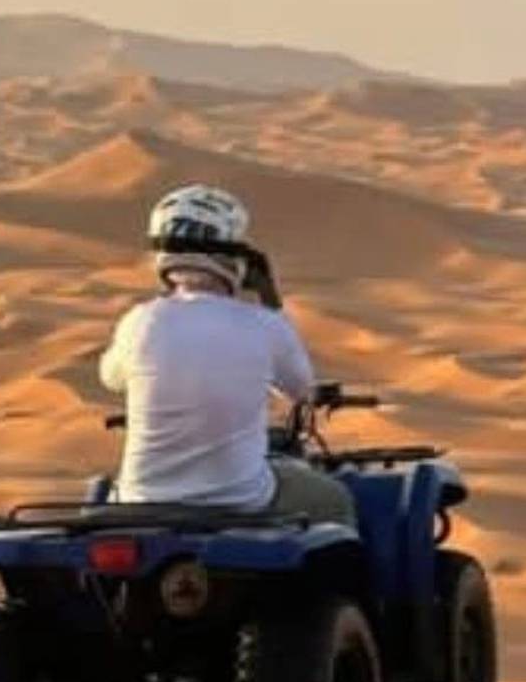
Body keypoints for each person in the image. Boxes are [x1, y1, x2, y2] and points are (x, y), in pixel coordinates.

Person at [98, 184, 356, 526]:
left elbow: (111, 378)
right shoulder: (263, 324)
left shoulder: (139, 321)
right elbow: (302, 389)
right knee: (335, 499)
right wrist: (271, 301)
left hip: (142, 500)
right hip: (238, 498)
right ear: (236, 257)